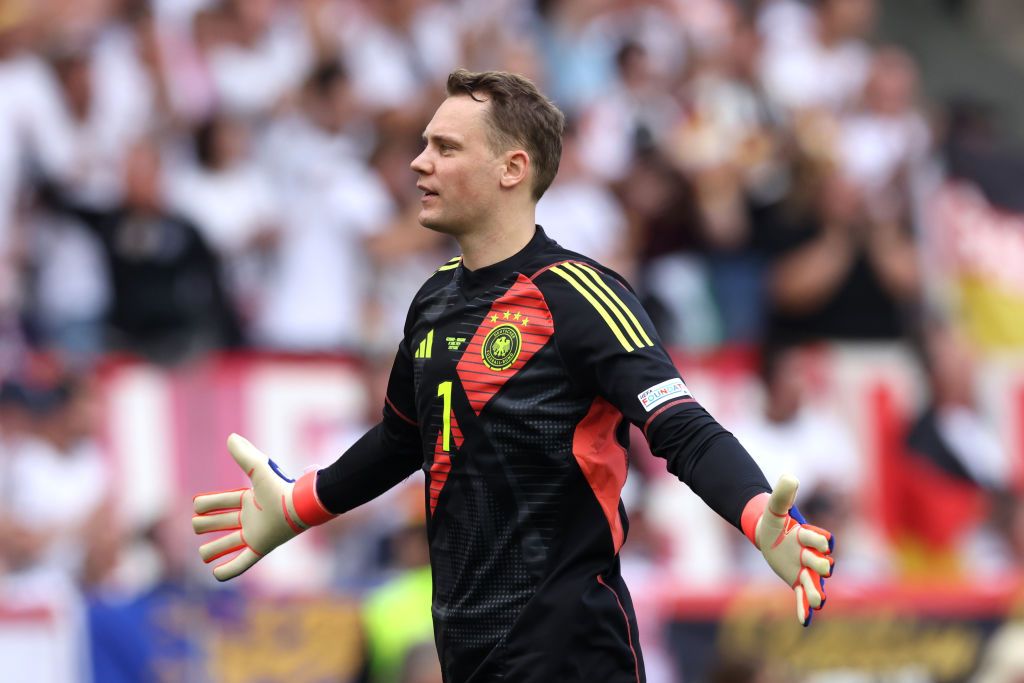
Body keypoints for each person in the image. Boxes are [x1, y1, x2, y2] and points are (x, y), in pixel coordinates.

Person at [192, 69, 835, 683]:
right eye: (423, 146)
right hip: (466, 656)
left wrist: (757, 515)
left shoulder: (578, 294)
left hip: (573, 656)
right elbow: (402, 438)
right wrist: (300, 503)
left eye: (445, 147)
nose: (420, 163)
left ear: (512, 168)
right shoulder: (433, 300)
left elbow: (682, 428)